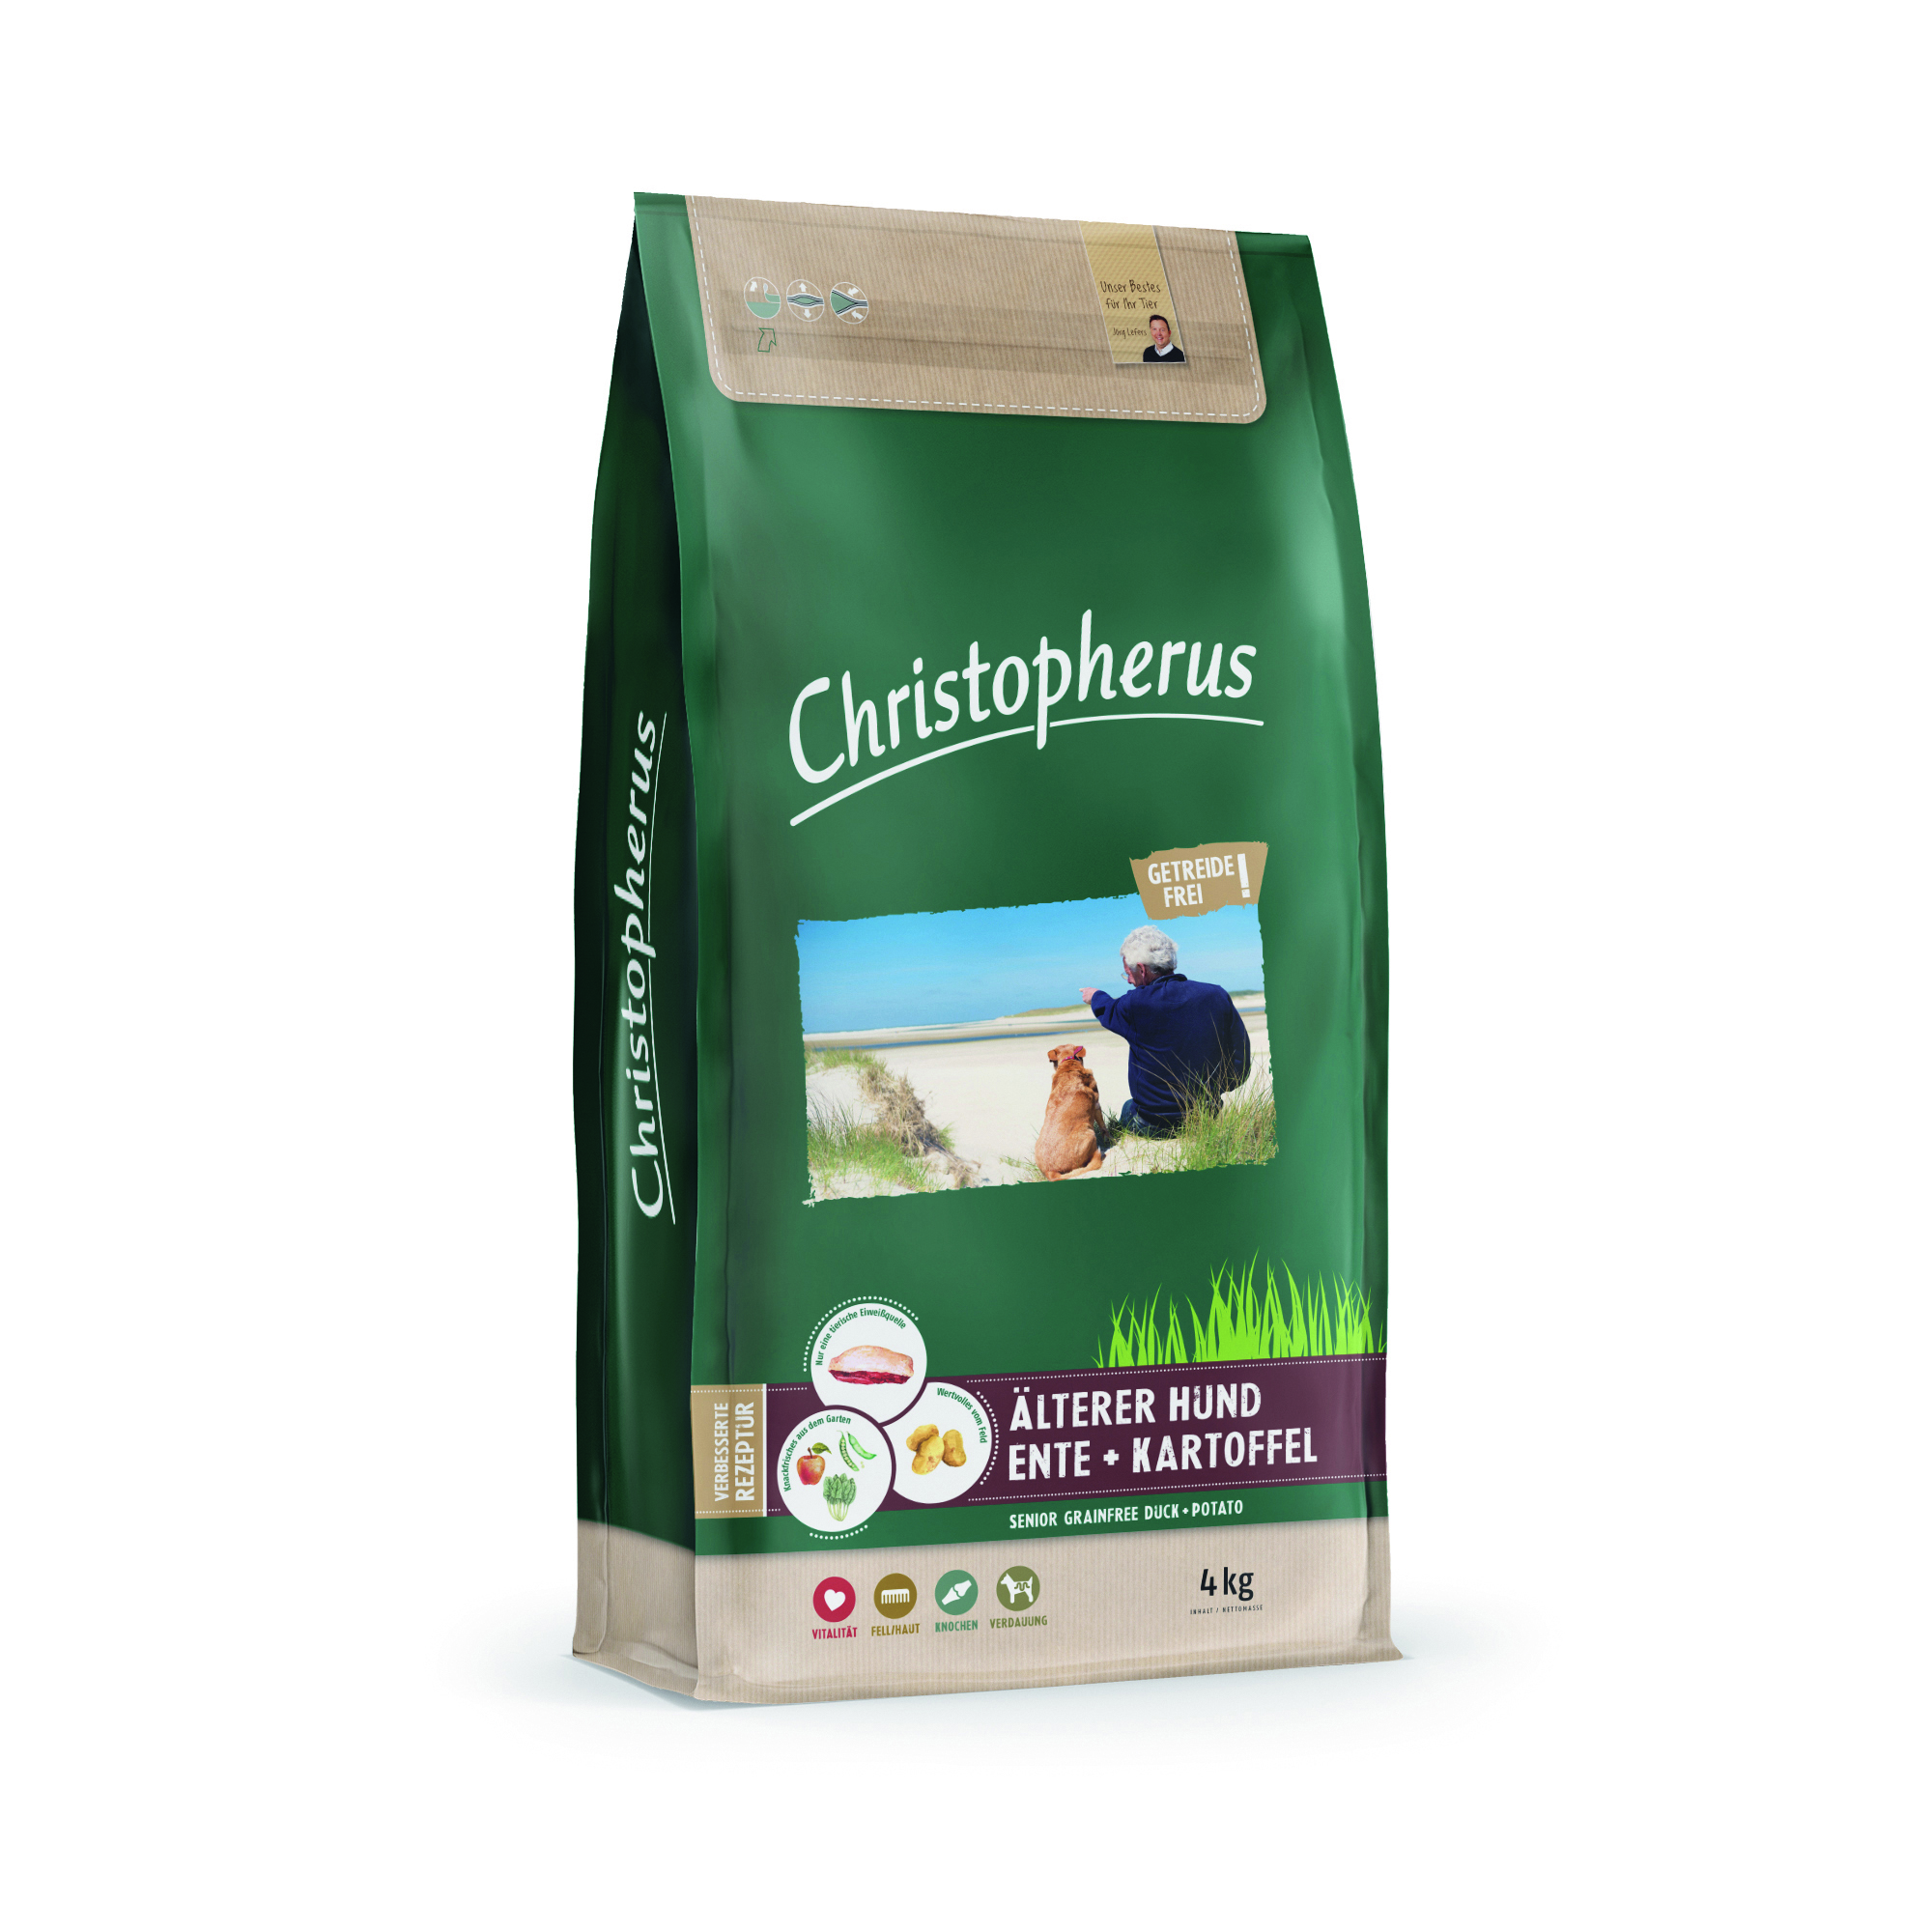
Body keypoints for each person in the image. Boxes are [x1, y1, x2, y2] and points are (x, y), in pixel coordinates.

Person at [1080, 925, 1248, 1136]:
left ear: (1142, 970)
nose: (1129, 980)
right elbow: (1240, 1057)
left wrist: (1095, 995)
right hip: (1207, 1115)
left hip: (1153, 1124)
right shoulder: (1216, 995)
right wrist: (1218, 1090)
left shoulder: (1135, 1004)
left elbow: (1109, 1008)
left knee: (1127, 1107)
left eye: (1128, 974)